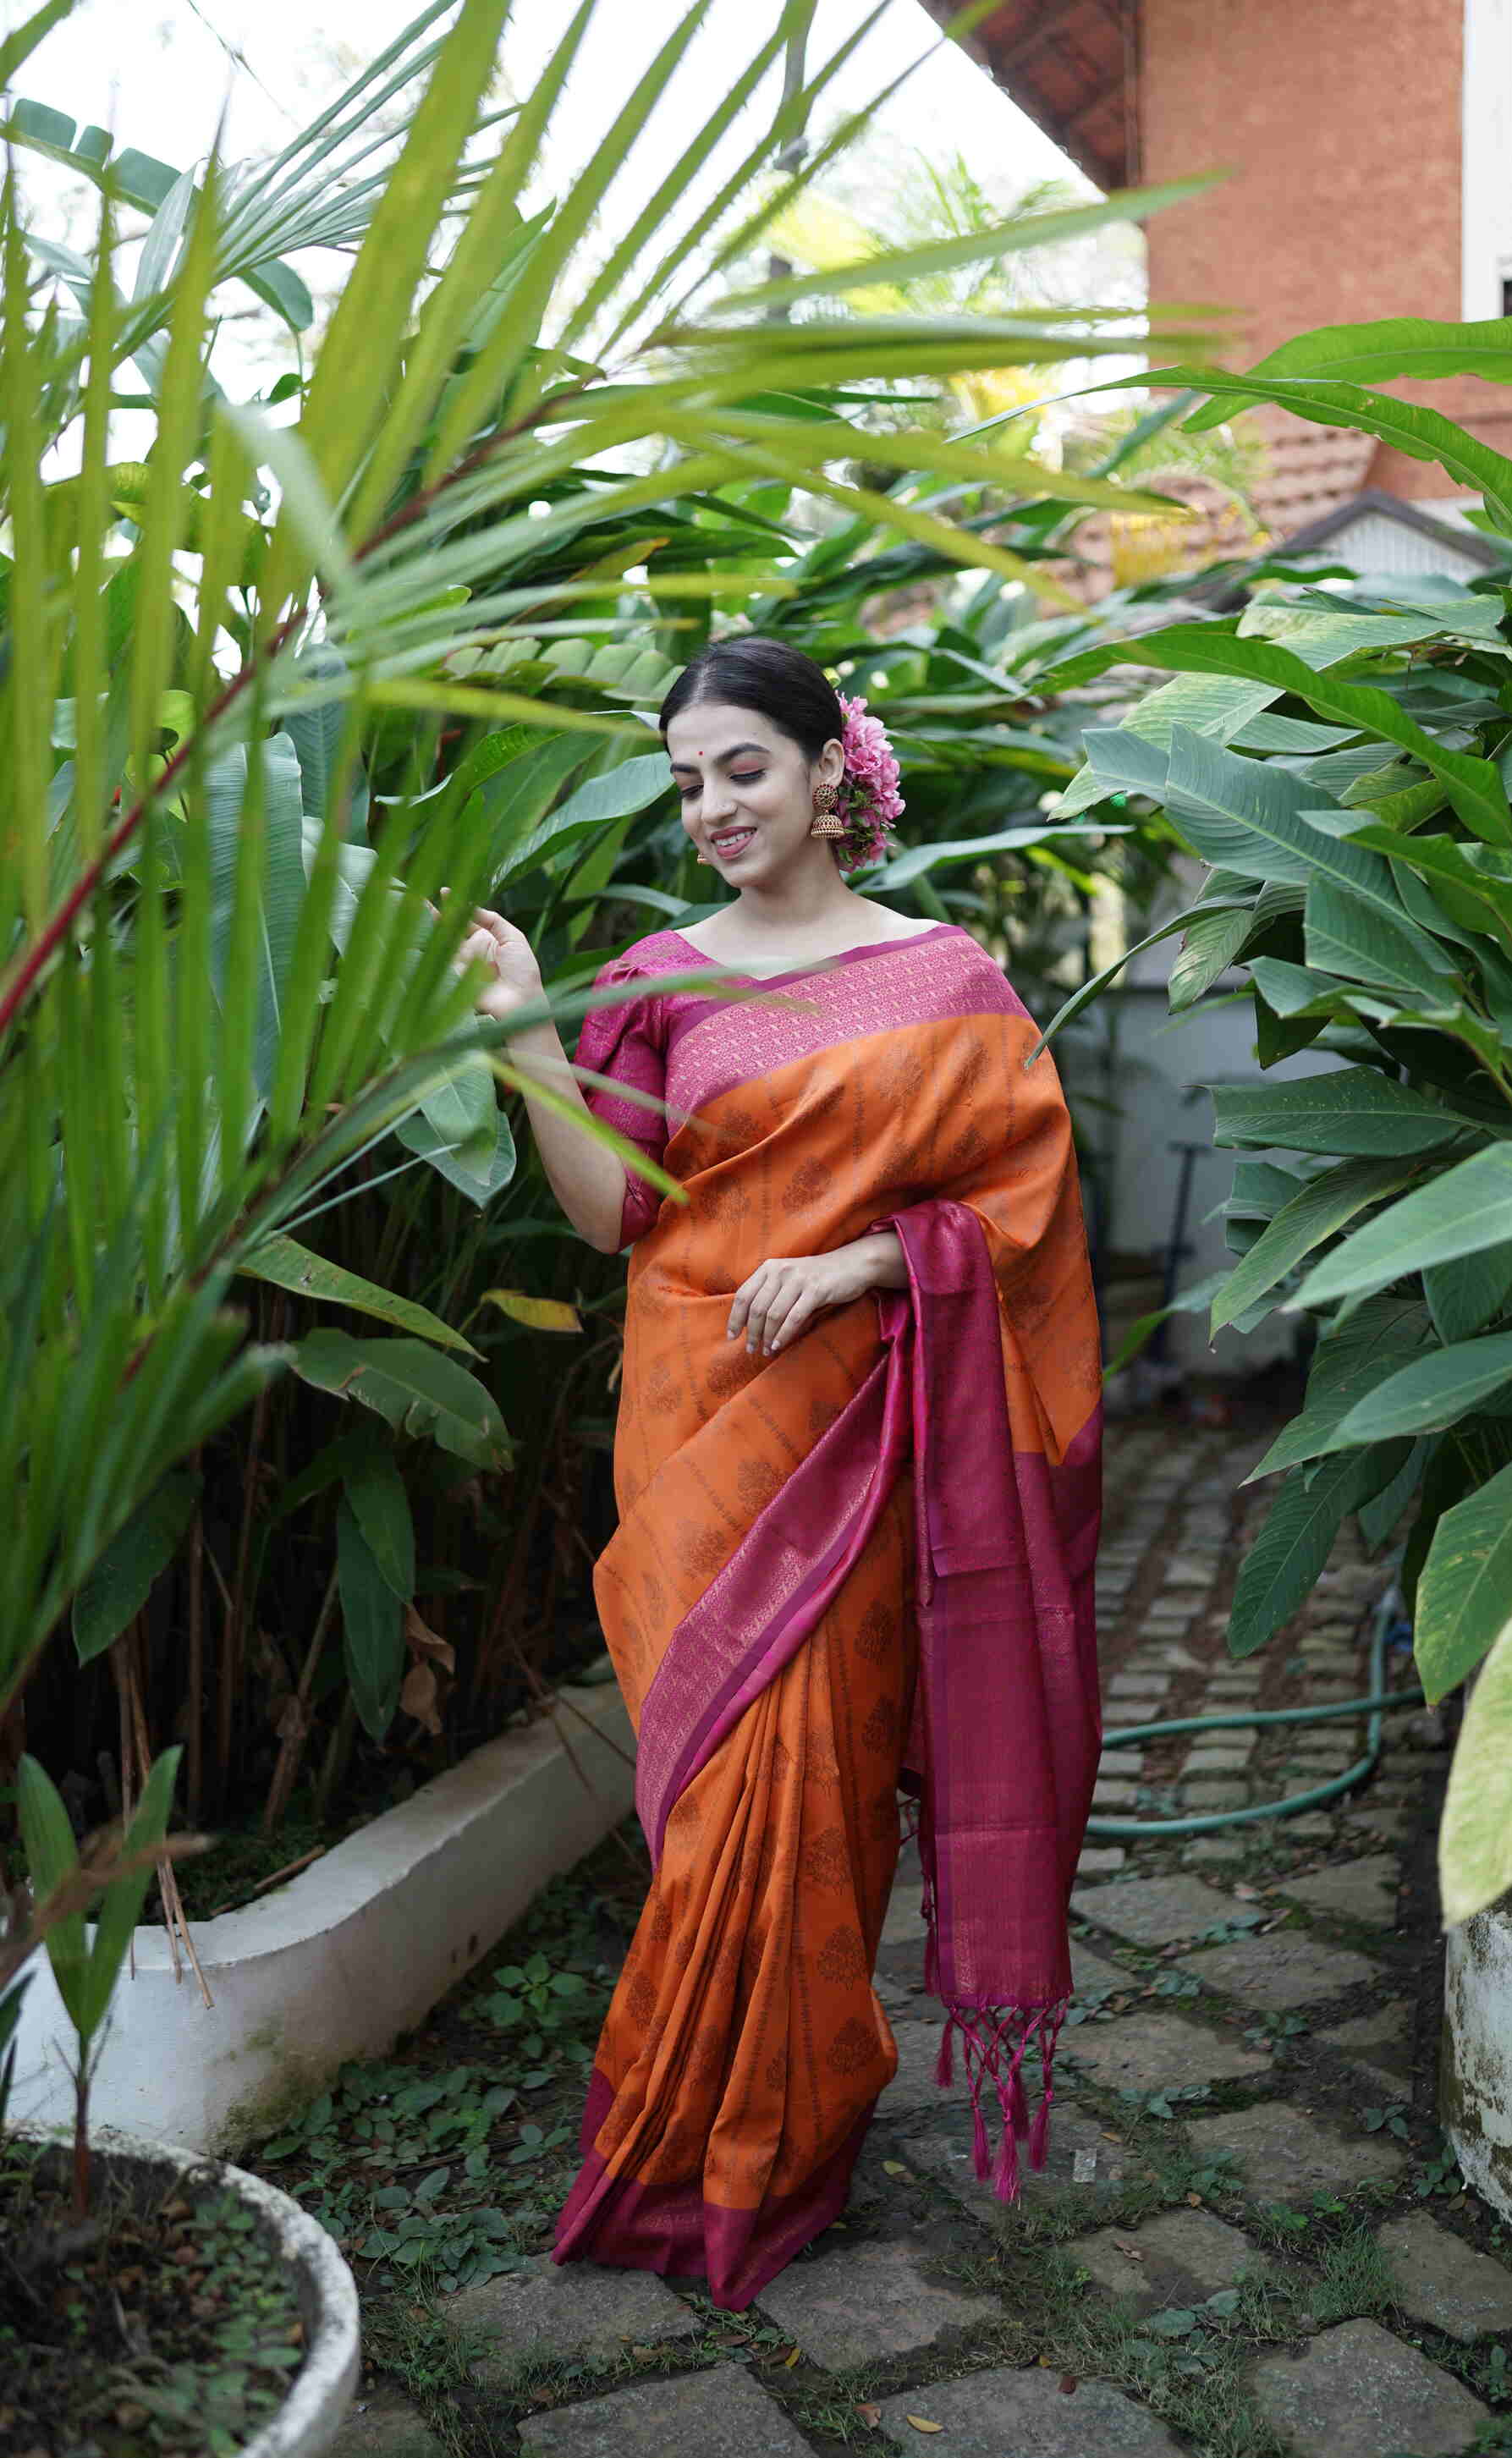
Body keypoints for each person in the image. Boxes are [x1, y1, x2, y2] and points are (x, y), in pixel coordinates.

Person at [456, 634, 1102, 2311]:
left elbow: (1020, 1221)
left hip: (857, 1429)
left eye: (740, 765)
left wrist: (867, 1266)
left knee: (806, 1786)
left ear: (832, 769)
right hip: (696, 1423)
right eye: (685, 783)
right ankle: (686, 2138)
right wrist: (531, 1028)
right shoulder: (663, 974)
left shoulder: (950, 977)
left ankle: (778, 2142)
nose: (711, 805)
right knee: (715, 1798)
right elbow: (617, 1212)